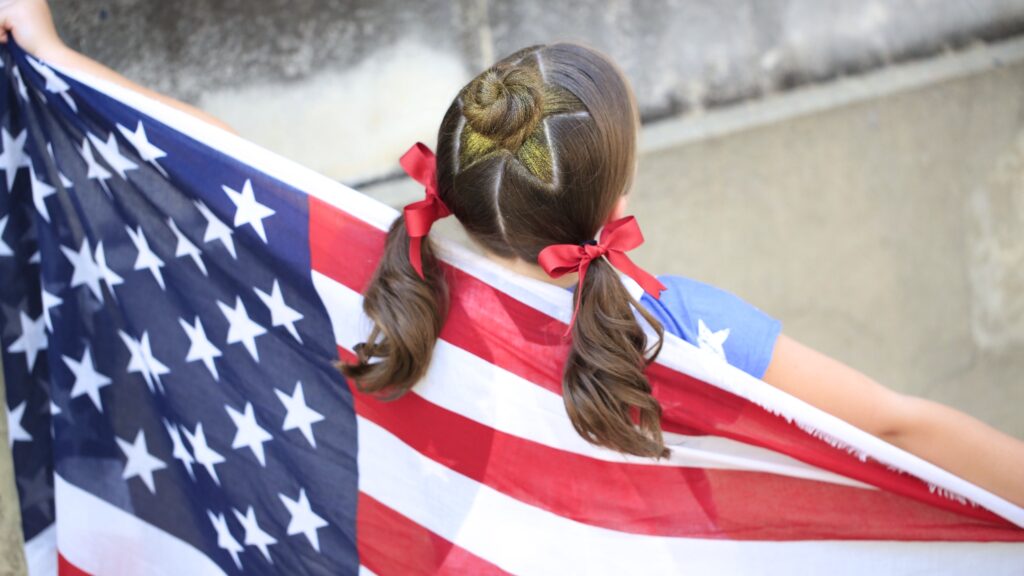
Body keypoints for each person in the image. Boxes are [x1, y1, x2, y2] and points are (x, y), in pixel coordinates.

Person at [3, 0, 1022, 509]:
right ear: (611, 201)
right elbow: (900, 424)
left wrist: (52, 58)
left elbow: (208, 149)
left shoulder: (376, 271)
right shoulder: (681, 329)